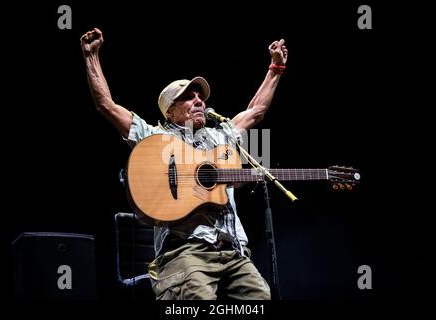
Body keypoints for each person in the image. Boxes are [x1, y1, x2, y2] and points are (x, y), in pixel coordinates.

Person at [80, 27, 288, 300]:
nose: (199, 100)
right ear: (170, 110)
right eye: (189, 97)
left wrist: (275, 68)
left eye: (200, 96)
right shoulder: (156, 137)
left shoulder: (221, 135)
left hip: (233, 251)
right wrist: (91, 56)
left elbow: (255, 112)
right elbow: (106, 106)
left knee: (261, 297)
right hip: (184, 250)